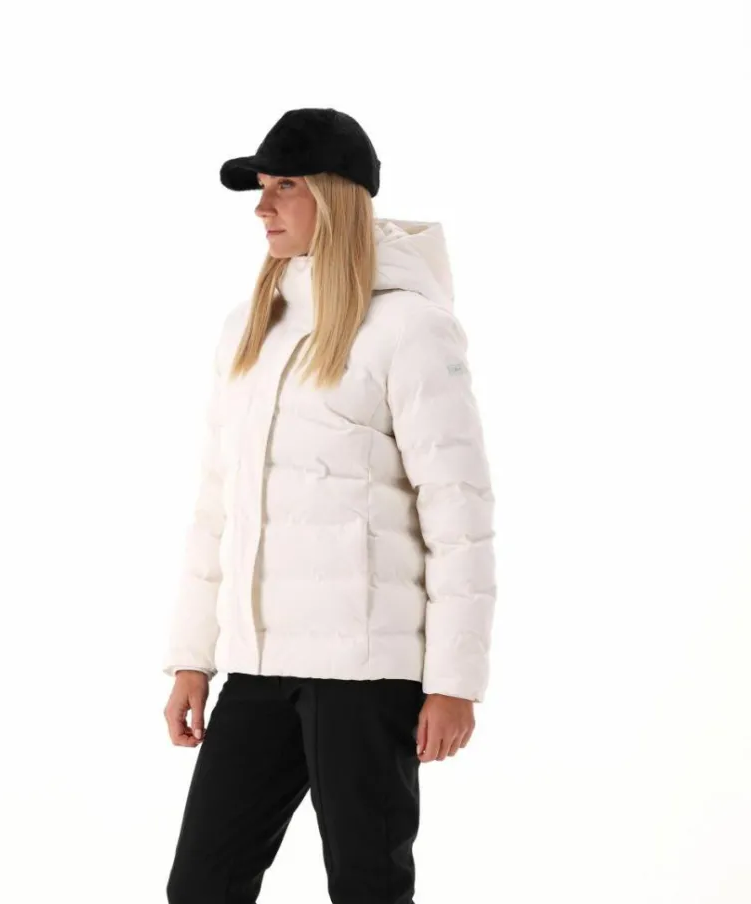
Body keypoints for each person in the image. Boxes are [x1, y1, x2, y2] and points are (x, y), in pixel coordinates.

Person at [161, 107, 497, 904]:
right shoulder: (252, 328)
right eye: (261, 188)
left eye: (283, 187)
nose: (262, 207)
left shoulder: (410, 328)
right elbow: (217, 509)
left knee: (367, 886)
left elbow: (459, 515)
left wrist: (455, 681)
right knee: (202, 884)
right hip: (259, 668)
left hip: (366, 676)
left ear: (335, 195)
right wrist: (191, 658)